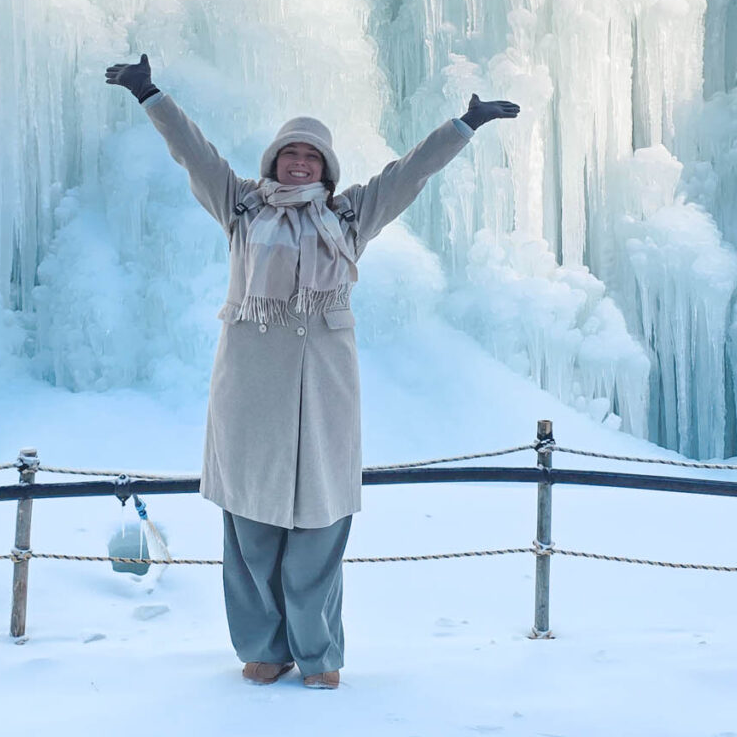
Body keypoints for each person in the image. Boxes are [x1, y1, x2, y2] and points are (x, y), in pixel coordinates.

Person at [105, 53, 519, 689]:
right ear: (273, 161)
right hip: (250, 394)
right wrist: (150, 94)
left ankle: (319, 655)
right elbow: (195, 153)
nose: (300, 164)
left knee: (319, 534)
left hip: (324, 397)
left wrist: (461, 127)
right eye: (290, 154)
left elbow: (408, 175)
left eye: (312, 157)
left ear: (326, 168)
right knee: (251, 533)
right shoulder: (241, 207)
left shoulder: (349, 216)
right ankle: (264, 650)